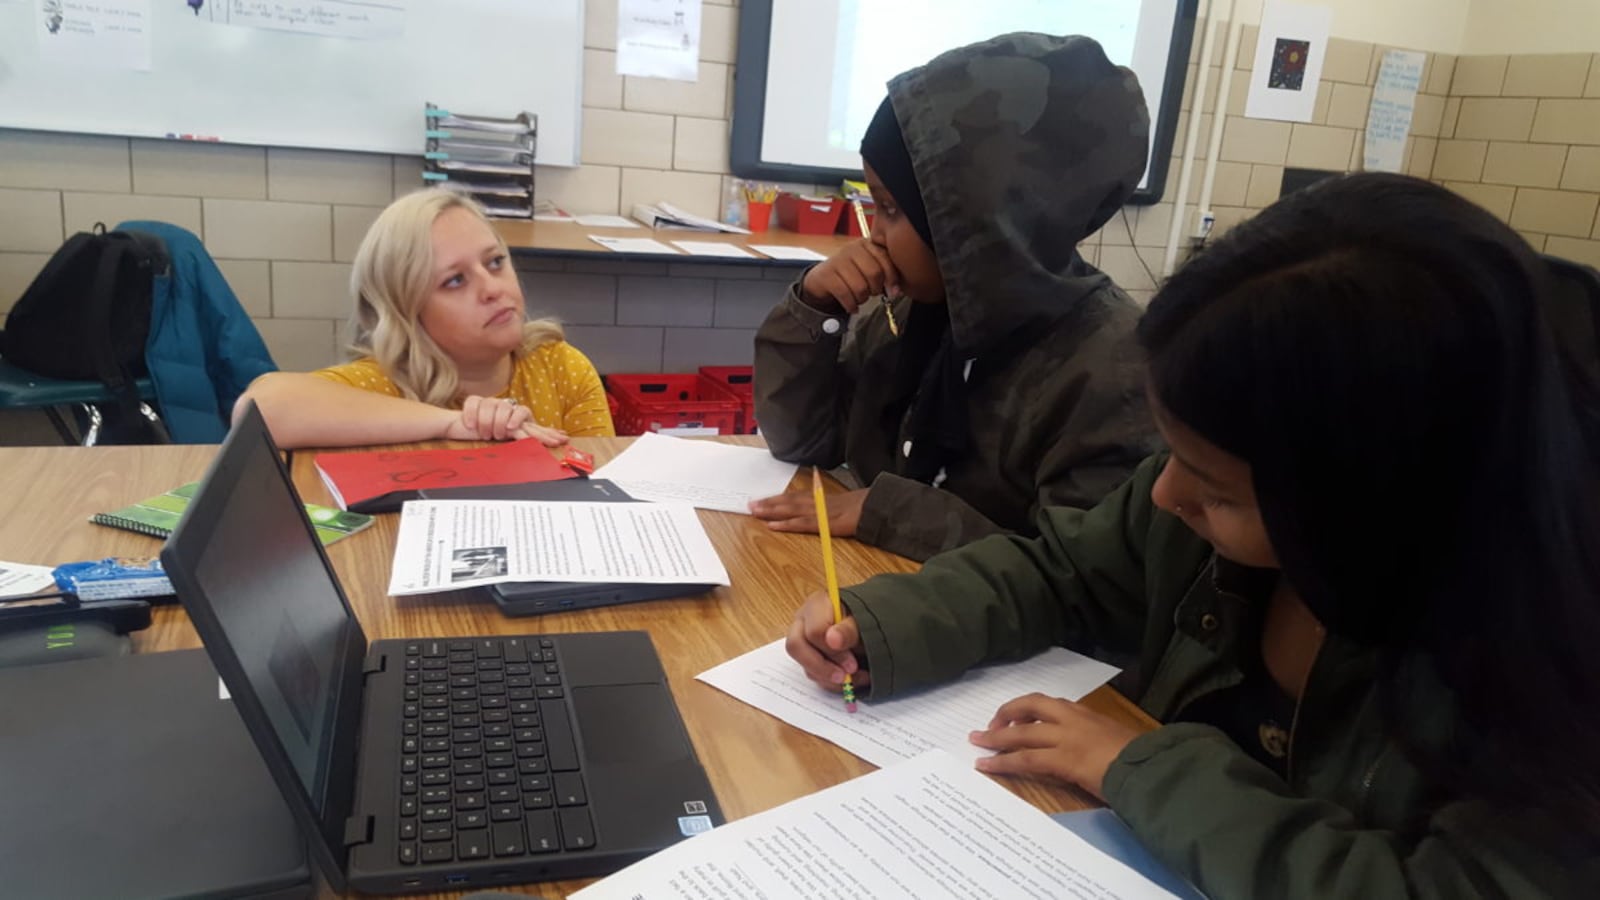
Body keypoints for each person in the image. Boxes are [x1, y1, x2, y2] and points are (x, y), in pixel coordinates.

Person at [785, 173, 1600, 897]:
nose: (1167, 495)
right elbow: (1059, 572)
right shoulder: (1206, 501)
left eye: (1216, 489)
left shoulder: (1547, 680)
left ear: (1370, 508)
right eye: (1175, 456)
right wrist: (882, 627)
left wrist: (1138, 766)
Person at [750, 33, 1161, 562]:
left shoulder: (1109, 373)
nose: (873, 234)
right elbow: (800, 444)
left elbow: (1080, 584)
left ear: (978, 222)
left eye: (890, 209)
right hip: (881, 594)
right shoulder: (906, 313)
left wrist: (893, 513)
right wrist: (815, 310)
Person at [238, 188, 614, 448]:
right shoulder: (383, 384)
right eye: (454, 281)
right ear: (407, 310)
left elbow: (602, 485)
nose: (492, 289)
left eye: (495, 262)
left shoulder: (561, 368)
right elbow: (257, 410)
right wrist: (454, 424)